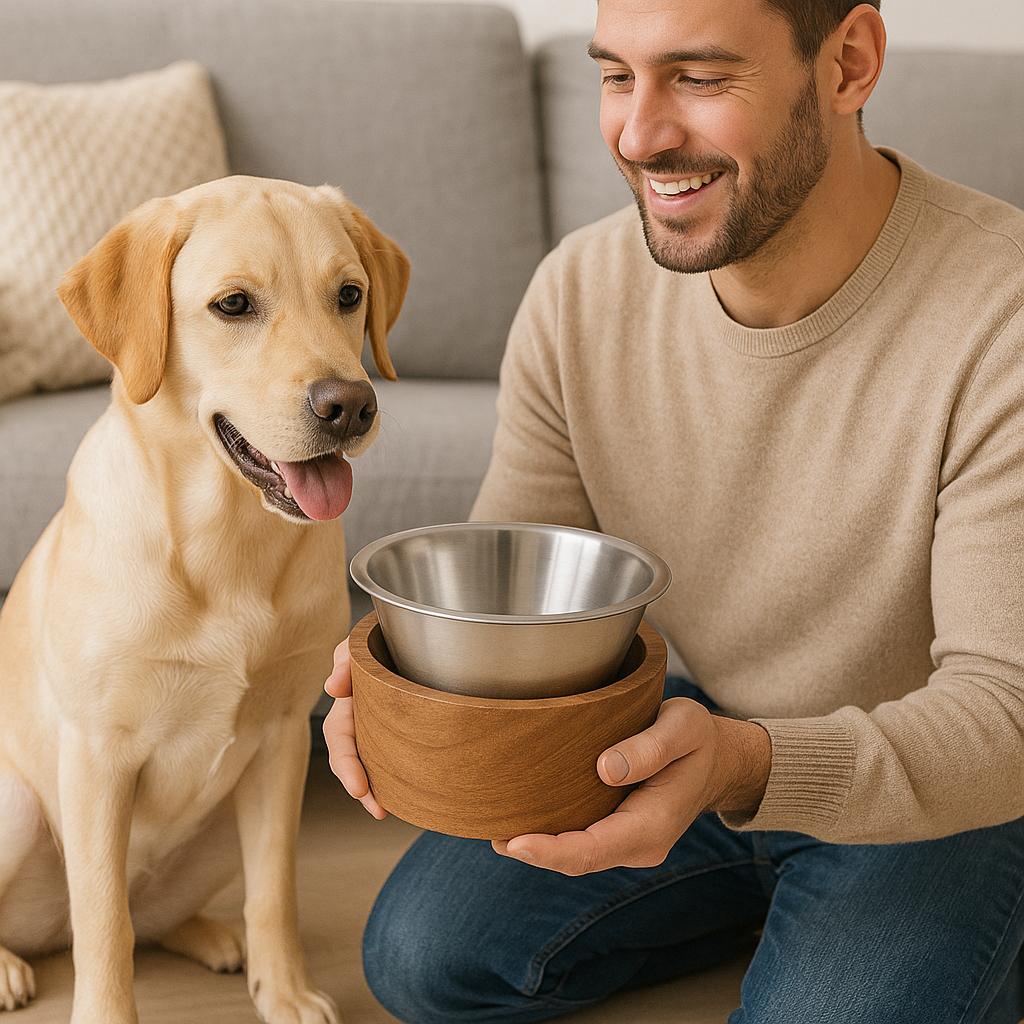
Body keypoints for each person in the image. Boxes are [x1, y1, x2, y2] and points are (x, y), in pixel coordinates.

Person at [323, 0, 1024, 1020]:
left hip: (943, 786)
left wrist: (749, 764)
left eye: (698, 77)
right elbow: (517, 587)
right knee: (425, 954)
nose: (638, 133)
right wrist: (401, 680)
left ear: (848, 64)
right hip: (696, 733)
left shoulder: (999, 314)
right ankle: (775, 896)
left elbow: (1006, 712)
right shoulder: (578, 291)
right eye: (617, 74)